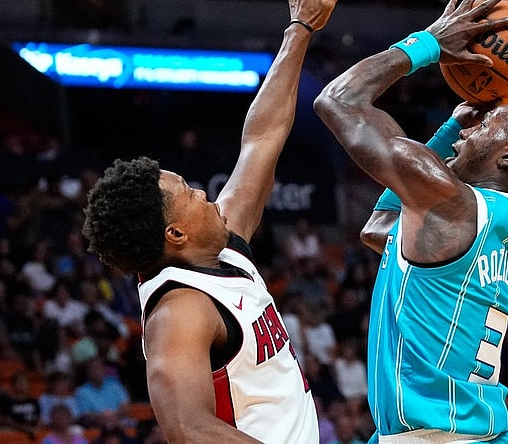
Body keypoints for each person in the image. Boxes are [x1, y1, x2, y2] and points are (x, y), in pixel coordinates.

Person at [314, 0, 508, 441]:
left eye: (486, 125)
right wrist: (451, 128)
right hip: (477, 432)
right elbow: (379, 229)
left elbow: (338, 100)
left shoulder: (453, 205)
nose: (471, 127)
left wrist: (430, 43)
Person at [80, 0, 337, 440]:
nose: (203, 193)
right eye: (188, 192)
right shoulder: (180, 311)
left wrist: (300, 28)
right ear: (175, 233)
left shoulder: (223, 247)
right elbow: (187, 427)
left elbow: (263, 138)